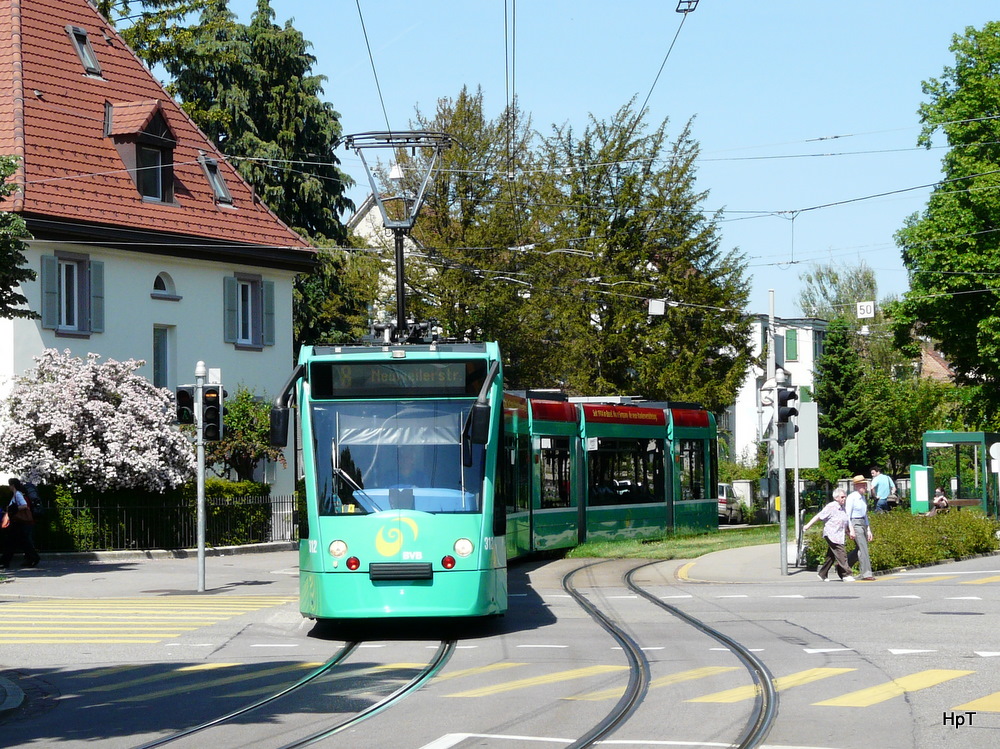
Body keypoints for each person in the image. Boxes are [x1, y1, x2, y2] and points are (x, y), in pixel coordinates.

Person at [803, 487, 854, 582]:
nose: (844, 499)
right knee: (841, 554)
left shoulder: (843, 508)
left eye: (845, 497)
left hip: (839, 535)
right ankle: (847, 574)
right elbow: (819, 516)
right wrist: (808, 525)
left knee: (832, 556)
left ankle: (822, 573)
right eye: (842, 497)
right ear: (836, 498)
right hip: (831, 535)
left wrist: (848, 532)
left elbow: (844, 522)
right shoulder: (831, 506)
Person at [1, 478, 40, 569]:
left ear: (13, 485)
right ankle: (33, 558)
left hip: (19, 522)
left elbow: (24, 505)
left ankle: (5, 562)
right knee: (21, 542)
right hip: (18, 523)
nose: (9, 487)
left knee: (11, 542)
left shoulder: (18, 494)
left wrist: (14, 509)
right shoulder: (16, 494)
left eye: (9, 485)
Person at [845, 475, 875, 581]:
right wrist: (851, 528)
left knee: (860, 548)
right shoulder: (851, 497)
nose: (865, 487)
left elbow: (864, 514)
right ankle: (866, 574)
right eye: (863, 485)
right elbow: (847, 515)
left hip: (862, 522)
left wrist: (868, 529)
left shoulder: (862, 498)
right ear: (856, 486)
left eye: (865, 485)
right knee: (863, 547)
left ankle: (843, 565)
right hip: (855, 523)